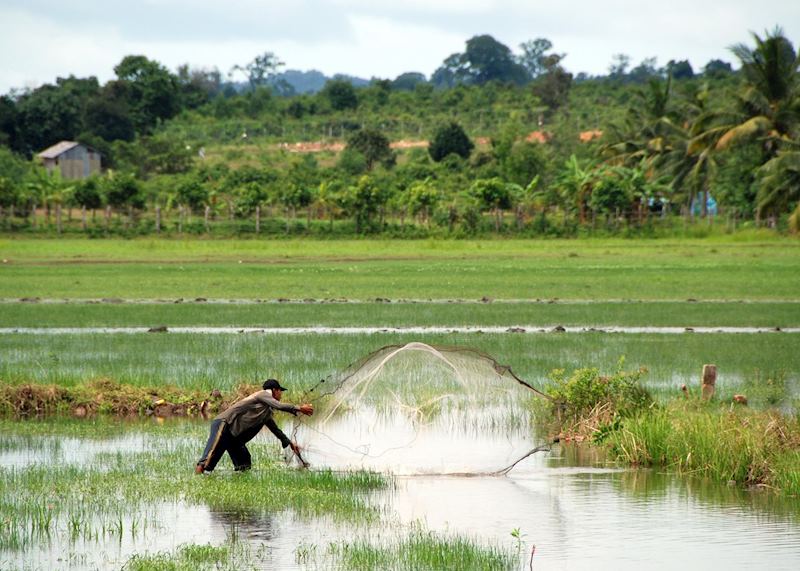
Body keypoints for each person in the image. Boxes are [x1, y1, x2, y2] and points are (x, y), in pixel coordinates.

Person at [195, 379, 313, 474]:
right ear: (274, 390)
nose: (281, 394)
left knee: (244, 464)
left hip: (233, 435)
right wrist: (299, 408)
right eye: (280, 391)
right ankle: (196, 481)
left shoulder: (265, 411)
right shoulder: (262, 394)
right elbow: (279, 405)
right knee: (208, 460)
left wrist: (291, 444)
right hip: (224, 423)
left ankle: (238, 486)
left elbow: (275, 429)